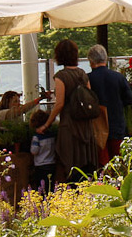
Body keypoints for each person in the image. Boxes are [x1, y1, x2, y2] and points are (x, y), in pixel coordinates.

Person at [36, 39, 97, 180]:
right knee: (86, 166)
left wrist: (46, 124)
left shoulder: (60, 76)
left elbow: (59, 104)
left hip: (70, 126)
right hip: (86, 125)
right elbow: (89, 96)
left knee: (70, 163)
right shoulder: (83, 74)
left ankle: (73, 193)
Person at [87, 44, 132, 166]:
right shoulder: (118, 77)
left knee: (103, 166)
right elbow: (129, 99)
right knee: (119, 164)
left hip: (97, 128)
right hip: (117, 125)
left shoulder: (88, 79)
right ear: (106, 58)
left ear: (91, 61)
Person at [29, 108, 57, 191]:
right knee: (50, 185)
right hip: (51, 163)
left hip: (40, 165)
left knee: (41, 187)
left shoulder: (36, 138)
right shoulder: (52, 136)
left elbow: (34, 151)